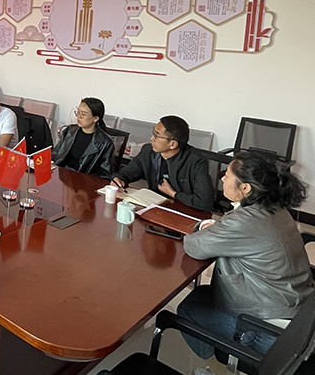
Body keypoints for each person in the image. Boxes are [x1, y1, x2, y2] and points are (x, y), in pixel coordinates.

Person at [178, 152, 314, 359]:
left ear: (245, 188)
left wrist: (204, 226)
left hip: (268, 329)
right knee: (204, 294)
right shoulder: (276, 208)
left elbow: (193, 246)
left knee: (188, 307)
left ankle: (215, 361)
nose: (222, 179)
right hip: (298, 315)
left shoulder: (244, 221)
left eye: (227, 175)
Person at [111, 116, 213, 211]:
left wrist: (173, 194)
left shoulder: (196, 161)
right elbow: (127, 173)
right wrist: (119, 179)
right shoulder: (148, 151)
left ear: (173, 144)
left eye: (157, 135)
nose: (152, 138)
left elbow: (204, 202)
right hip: (152, 206)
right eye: (153, 133)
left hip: (182, 210)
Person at [53, 97, 114, 178]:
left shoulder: (105, 143)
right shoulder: (70, 131)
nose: (79, 116)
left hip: (84, 180)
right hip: (61, 174)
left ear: (96, 118)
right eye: (78, 112)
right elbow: (55, 154)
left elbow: (105, 173)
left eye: (83, 114)